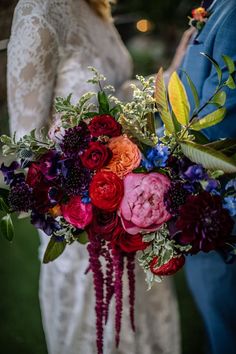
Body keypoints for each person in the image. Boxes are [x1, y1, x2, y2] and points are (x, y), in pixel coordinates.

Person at [7, 1, 181, 353]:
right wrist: (91, 206)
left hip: (134, 221)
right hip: (84, 235)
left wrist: (170, 78)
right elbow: (28, 153)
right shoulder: (38, 10)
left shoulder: (95, 9)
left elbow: (116, 93)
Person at [179, 0, 236, 353]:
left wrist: (156, 154)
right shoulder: (217, 7)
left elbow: (223, 113)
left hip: (215, 199)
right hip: (202, 190)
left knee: (225, 326)